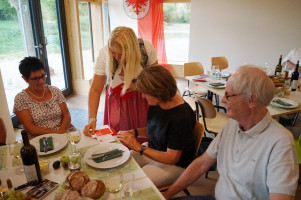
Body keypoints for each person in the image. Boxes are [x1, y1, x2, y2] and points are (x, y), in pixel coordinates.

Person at [163, 66, 299, 200]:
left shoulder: (280, 142)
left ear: (252, 100)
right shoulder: (233, 124)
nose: (223, 100)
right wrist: (167, 195)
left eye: (228, 95)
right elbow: (201, 164)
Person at [116, 65, 196, 187]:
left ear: (157, 91)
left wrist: (138, 147)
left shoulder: (182, 116)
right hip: (156, 149)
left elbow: (171, 158)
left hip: (174, 164)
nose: (142, 96)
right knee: (119, 165)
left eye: (145, 93)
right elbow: (158, 130)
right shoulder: (158, 103)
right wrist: (135, 132)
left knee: (133, 184)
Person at [83, 26, 158, 135]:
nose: (117, 58)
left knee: (142, 132)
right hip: (116, 101)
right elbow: (95, 89)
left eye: (121, 54)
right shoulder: (105, 55)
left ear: (132, 51)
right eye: (113, 53)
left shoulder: (146, 50)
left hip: (142, 97)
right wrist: (92, 119)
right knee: (119, 135)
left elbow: (156, 79)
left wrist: (138, 86)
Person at [13, 57, 72, 138]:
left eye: (42, 76)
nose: (41, 81)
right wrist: (57, 134)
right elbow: (31, 128)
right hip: (40, 139)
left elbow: (67, 115)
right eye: (35, 79)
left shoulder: (55, 91)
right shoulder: (21, 99)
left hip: (63, 131)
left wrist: (62, 133)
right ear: (24, 78)